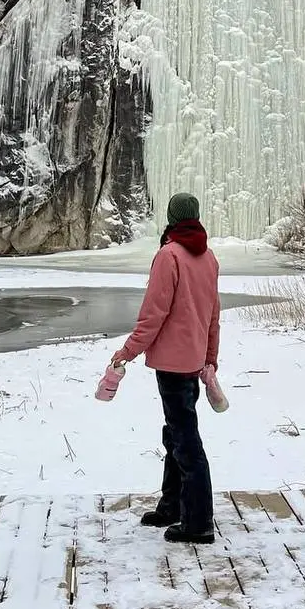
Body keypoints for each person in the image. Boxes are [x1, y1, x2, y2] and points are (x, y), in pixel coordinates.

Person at [112, 192, 220, 545]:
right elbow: (213, 317)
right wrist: (210, 359)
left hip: (173, 365)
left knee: (186, 441)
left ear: (172, 219)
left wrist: (126, 353)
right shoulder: (209, 258)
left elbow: (153, 315)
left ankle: (199, 521)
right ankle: (173, 505)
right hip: (192, 362)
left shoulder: (168, 256)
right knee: (177, 432)